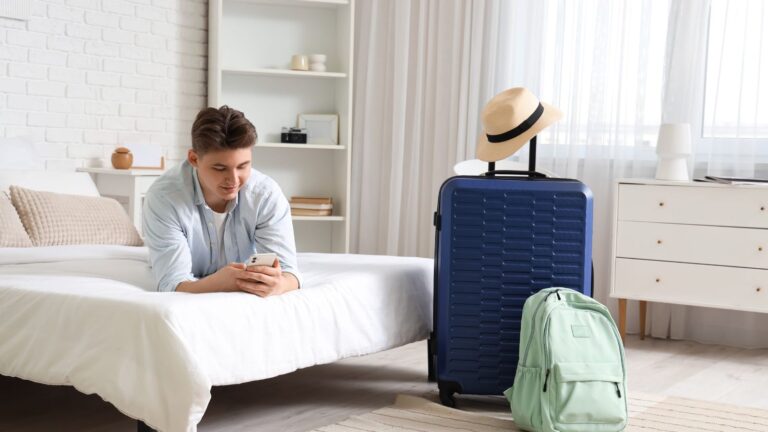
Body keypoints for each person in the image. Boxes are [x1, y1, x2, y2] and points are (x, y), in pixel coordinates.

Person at [143, 105, 300, 295]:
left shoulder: (265, 195)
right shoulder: (164, 198)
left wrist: (278, 284)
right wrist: (222, 282)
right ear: (194, 159)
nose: (233, 180)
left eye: (243, 166)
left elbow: (289, 273)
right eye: (220, 168)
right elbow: (172, 285)